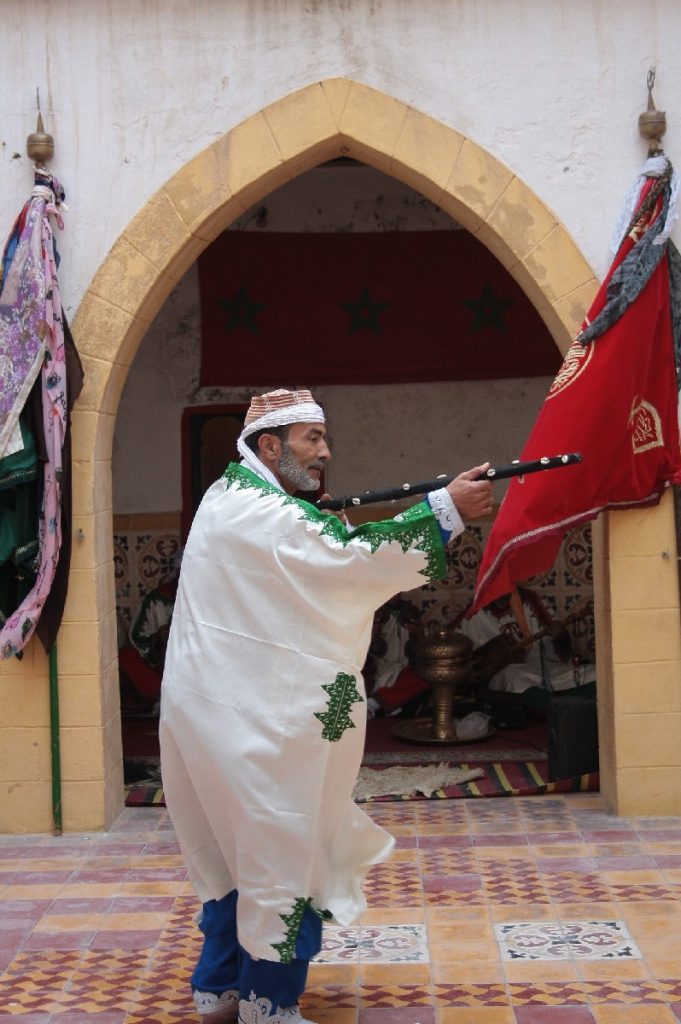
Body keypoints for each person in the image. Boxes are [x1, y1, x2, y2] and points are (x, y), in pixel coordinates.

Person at [159, 388, 493, 1024]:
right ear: (270, 446)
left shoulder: (227, 497)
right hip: (252, 726)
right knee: (284, 847)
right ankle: (269, 1003)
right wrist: (446, 509)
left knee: (231, 850)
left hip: (210, 714)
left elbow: (304, 558)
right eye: (312, 439)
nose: (326, 452)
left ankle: (218, 988)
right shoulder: (267, 514)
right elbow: (350, 559)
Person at [458, 584, 596, 713]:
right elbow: (464, 665)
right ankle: (558, 704)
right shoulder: (474, 614)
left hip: (547, 670)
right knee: (512, 676)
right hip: (511, 675)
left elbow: (561, 644)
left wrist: (559, 634)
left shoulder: (533, 600)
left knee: (596, 673)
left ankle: (561, 703)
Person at [118, 562, 179, 712]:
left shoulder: (207, 601)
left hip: (195, 669)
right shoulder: (157, 600)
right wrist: (158, 638)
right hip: (160, 670)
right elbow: (137, 639)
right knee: (126, 658)